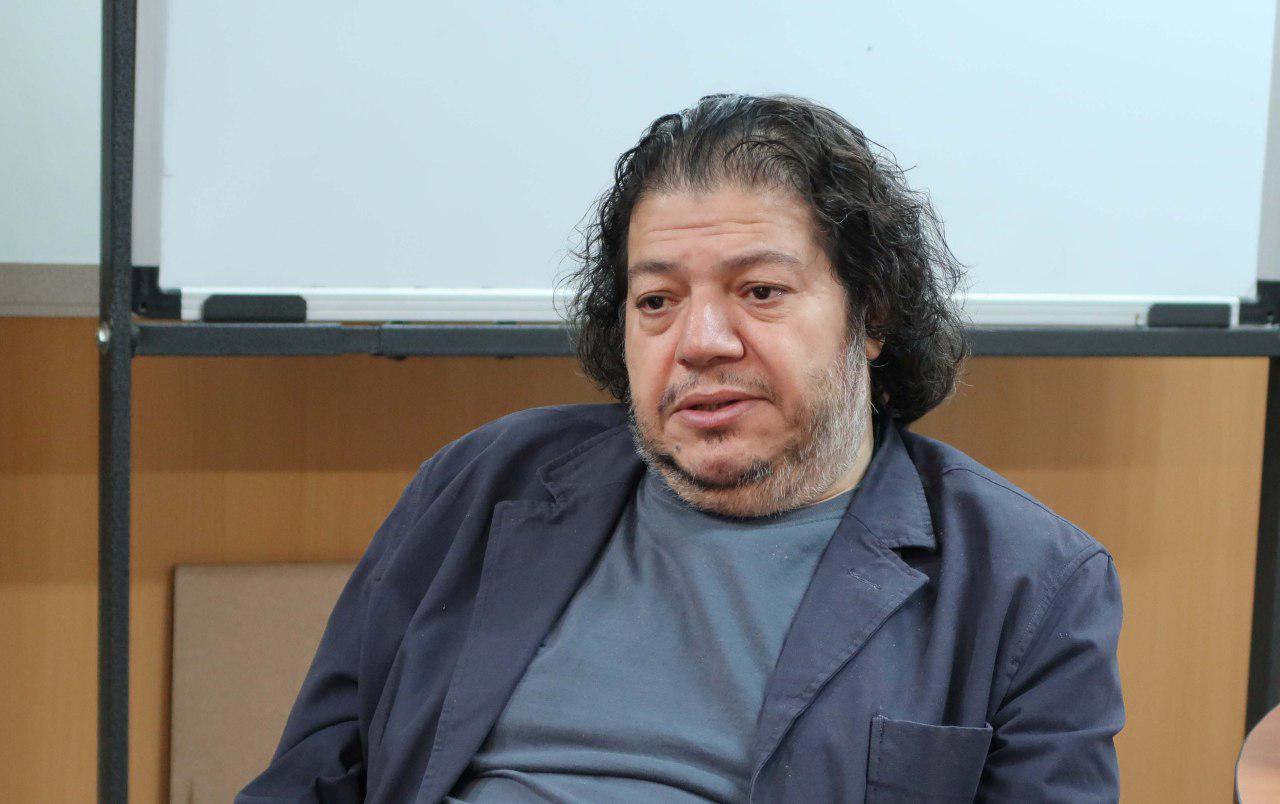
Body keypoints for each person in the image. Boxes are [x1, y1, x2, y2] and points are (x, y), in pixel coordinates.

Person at [238, 94, 1123, 803]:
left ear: (872, 315)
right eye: (656, 301)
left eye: (760, 291)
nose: (700, 342)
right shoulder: (480, 482)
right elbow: (312, 779)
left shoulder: (1027, 581)